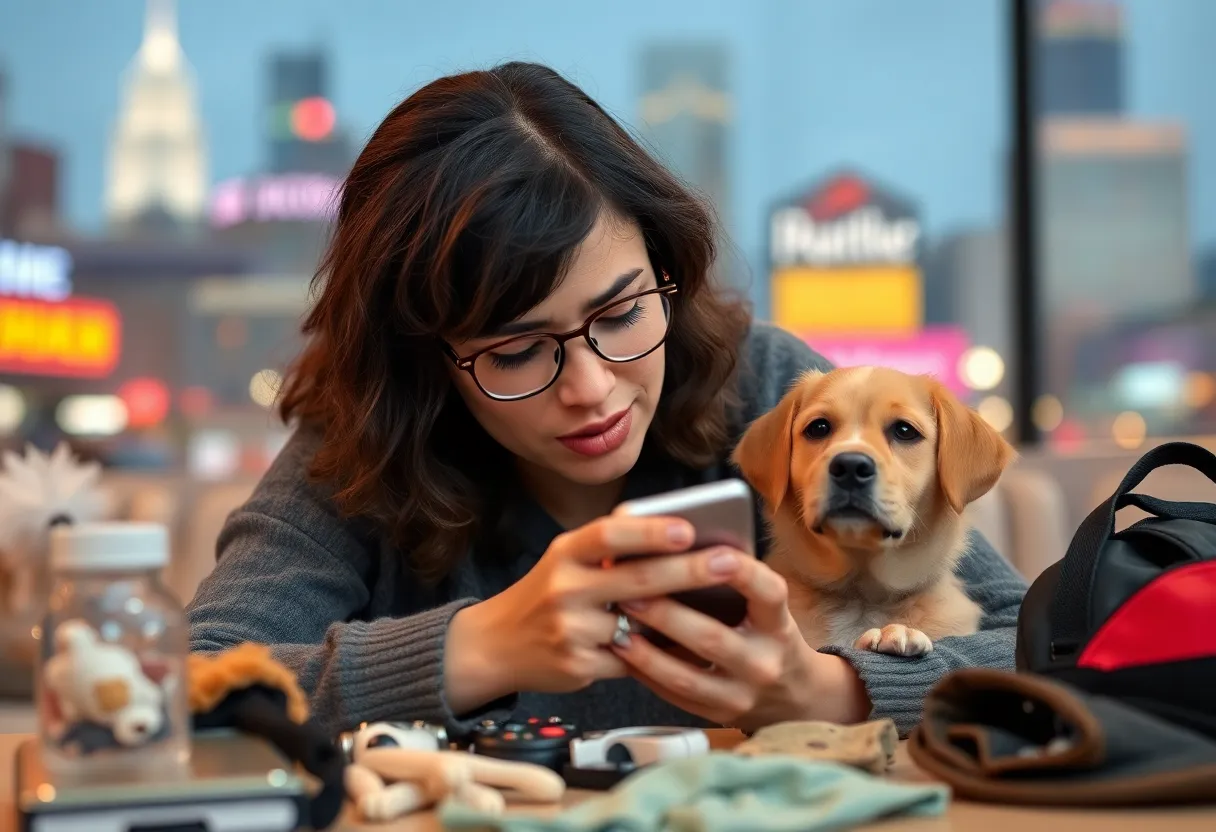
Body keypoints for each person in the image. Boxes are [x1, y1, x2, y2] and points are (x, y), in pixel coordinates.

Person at [186, 61, 1027, 739]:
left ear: (668, 271)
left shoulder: (771, 393)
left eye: (621, 313)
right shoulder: (361, 445)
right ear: (425, 358)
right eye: (516, 350)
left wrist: (832, 689)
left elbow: (1048, 647)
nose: (593, 391)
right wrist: (476, 648)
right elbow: (192, 679)